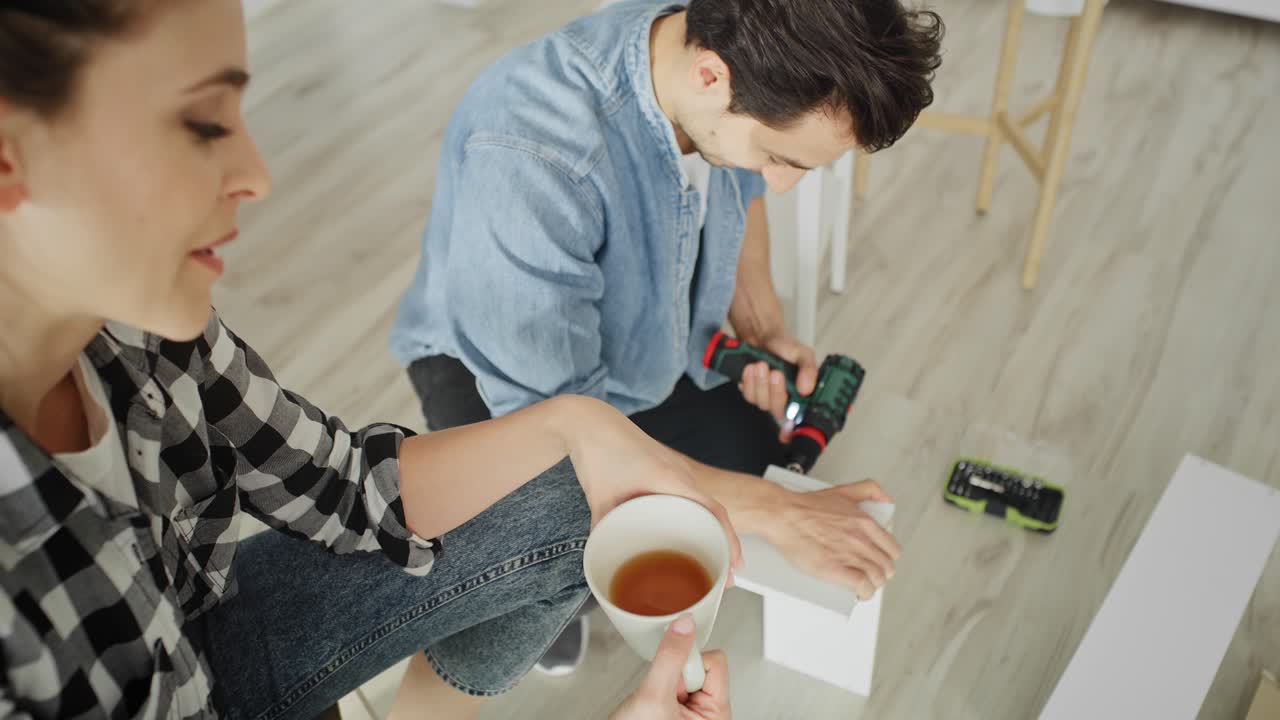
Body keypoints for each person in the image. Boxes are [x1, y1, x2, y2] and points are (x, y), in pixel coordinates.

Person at [0, 1, 737, 718]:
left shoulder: (137, 325)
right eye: (202, 124)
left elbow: (341, 487)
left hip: (200, 632)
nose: (257, 175)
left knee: (571, 491)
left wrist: (579, 425)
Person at [390, 0, 942, 672]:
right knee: (549, 543)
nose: (782, 183)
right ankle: (548, 593)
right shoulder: (535, 148)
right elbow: (563, 431)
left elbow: (744, 193)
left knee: (756, 453)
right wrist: (774, 512)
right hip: (505, 385)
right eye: (778, 157)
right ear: (711, 79)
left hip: (643, 340)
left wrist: (762, 326)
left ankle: (583, 563)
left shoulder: (711, 48)